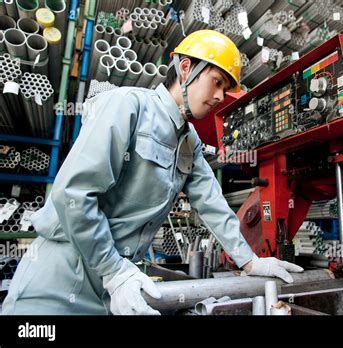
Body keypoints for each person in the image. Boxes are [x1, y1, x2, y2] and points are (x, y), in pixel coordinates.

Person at [2, 30, 303, 315]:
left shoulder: (190, 141)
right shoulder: (128, 106)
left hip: (116, 287)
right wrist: (114, 270)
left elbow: (211, 203)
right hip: (62, 278)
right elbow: (74, 194)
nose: (221, 96)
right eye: (217, 82)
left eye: (226, 88)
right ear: (186, 69)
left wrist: (249, 260)